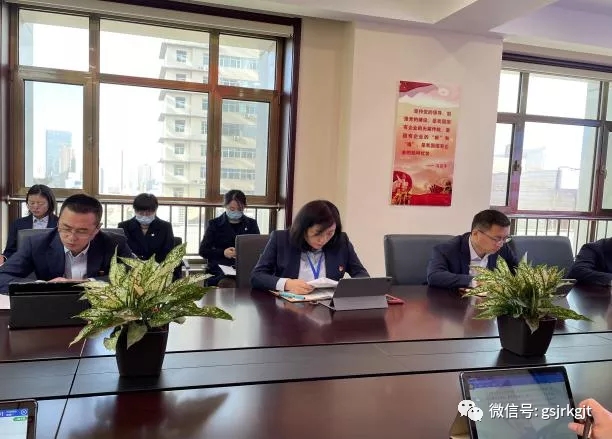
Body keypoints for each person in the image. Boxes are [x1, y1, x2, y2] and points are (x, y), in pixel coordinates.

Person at [0, 193, 134, 293]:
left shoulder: (115, 243)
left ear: (96, 230)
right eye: (66, 228)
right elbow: (3, 277)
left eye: (81, 231)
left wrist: (85, 283)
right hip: (51, 307)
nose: (71, 237)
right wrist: (43, 286)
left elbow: (134, 278)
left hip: (99, 309)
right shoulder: (36, 244)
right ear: (58, 223)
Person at [251, 199, 369, 293]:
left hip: (327, 307)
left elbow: (361, 274)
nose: (323, 240)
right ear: (303, 228)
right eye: (317, 233)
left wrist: (347, 289)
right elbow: (257, 276)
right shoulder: (281, 239)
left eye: (329, 233)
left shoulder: (341, 241)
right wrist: (287, 284)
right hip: (288, 307)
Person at [426, 209, 518, 289]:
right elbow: (434, 276)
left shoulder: (503, 247)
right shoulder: (447, 249)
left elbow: (518, 272)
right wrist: (477, 281)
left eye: (505, 238)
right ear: (475, 234)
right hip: (455, 300)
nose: (501, 244)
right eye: (496, 239)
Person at [199, 190, 260, 287]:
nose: (236, 212)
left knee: (257, 281)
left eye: (240, 209)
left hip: (245, 267)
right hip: (220, 268)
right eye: (232, 209)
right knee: (227, 283)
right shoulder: (214, 224)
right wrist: (223, 252)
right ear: (225, 206)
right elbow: (203, 251)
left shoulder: (251, 224)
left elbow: (258, 249)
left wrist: (242, 253)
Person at [1, 184, 59, 264]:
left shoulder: (59, 223)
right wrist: (3, 258)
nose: (35, 207)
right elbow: (10, 251)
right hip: (23, 265)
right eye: (32, 203)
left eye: (40, 203)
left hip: (52, 265)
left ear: (50, 203)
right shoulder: (18, 224)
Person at [118, 193, 175, 263]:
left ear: (155, 210)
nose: (144, 216)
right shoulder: (123, 227)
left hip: (158, 267)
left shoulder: (165, 227)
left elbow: (169, 253)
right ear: (135, 210)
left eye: (148, 213)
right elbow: (120, 253)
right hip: (131, 267)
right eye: (141, 213)